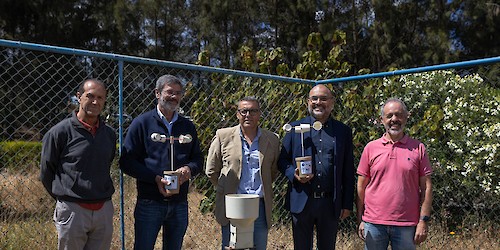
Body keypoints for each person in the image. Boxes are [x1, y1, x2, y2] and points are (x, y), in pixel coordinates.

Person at [120, 74, 202, 250]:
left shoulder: (187, 126)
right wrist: (154, 178)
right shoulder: (142, 123)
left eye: (178, 93)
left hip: (179, 203)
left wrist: (189, 169)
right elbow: (127, 161)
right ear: (157, 93)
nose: (174, 97)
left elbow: (198, 159)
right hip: (150, 202)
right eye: (170, 92)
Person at [40, 79, 116, 250]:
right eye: (90, 96)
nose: (95, 101)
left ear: (104, 101)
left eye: (100, 97)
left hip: (103, 209)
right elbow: (46, 171)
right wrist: (66, 198)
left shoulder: (109, 134)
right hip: (73, 211)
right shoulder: (59, 132)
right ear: (79, 97)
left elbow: (106, 163)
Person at [278, 84, 355, 249]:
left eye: (323, 98)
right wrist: (294, 174)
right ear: (308, 101)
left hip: (330, 203)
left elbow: (348, 170)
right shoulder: (295, 128)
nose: (318, 102)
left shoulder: (343, 131)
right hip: (302, 200)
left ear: (332, 103)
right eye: (314, 98)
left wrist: (347, 203)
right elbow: (282, 160)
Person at [356, 98, 433, 250]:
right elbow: (361, 186)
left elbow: (427, 188)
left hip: (407, 224)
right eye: (389, 115)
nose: (394, 119)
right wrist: (361, 220)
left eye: (398, 115)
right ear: (382, 119)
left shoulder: (418, 148)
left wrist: (423, 221)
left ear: (406, 117)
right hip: (374, 223)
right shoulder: (370, 148)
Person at [205, 97, 280, 250]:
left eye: (253, 111)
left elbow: (274, 170)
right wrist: (225, 188)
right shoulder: (223, 136)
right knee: (233, 247)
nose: (248, 115)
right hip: (233, 205)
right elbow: (211, 170)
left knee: (258, 246)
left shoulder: (271, 139)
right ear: (237, 114)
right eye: (244, 111)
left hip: (259, 204)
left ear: (259, 114)